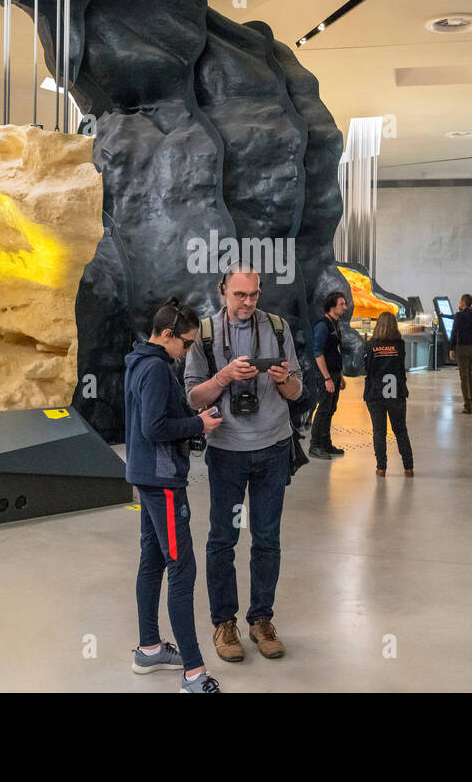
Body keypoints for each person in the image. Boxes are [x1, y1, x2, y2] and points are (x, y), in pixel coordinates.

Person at [185, 267, 303, 663]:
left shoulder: (278, 327)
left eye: (252, 295)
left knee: (267, 539)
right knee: (223, 540)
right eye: (239, 295)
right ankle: (224, 623)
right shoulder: (204, 333)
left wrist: (284, 379)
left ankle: (261, 619)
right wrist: (223, 376)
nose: (247, 302)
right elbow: (193, 398)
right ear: (222, 292)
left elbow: (296, 390)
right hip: (226, 453)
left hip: (272, 447)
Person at [124, 297, 223, 693]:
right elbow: (155, 427)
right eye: (185, 343)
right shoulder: (158, 370)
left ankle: (149, 649)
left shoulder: (138, 362)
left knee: (152, 560)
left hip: (146, 476)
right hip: (163, 482)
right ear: (167, 335)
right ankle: (194, 674)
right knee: (182, 570)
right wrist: (198, 422)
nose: (185, 352)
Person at [363, 311, 414, 476]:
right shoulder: (400, 345)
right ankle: (408, 467)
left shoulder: (371, 345)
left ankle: (381, 467)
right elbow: (400, 367)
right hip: (396, 393)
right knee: (400, 430)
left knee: (379, 431)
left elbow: (367, 368)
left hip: (376, 393)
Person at [308, 291, 348, 460]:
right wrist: (327, 378)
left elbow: (335, 351)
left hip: (334, 373)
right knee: (323, 409)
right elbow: (318, 353)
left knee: (331, 409)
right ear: (332, 306)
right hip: (325, 375)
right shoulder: (323, 325)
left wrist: (340, 375)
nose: (345, 307)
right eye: (342, 304)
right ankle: (315, 445)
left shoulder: (335, 323)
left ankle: (326, 443)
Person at [449, 293, 472, 414]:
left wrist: (451, 348)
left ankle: (468, 404)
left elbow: (454, 332)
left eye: (460, 301)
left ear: (464, 302)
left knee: (464, 377)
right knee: (470, 375)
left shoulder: (459, 315)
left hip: (462, 347)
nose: (459, 303)